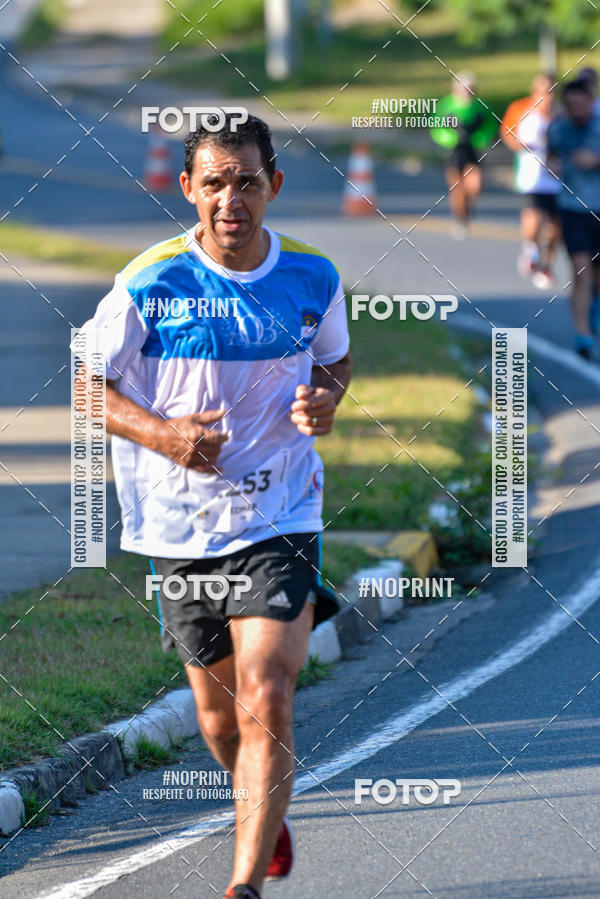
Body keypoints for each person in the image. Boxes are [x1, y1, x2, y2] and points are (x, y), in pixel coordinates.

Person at [75, 113, 352, 899]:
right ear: (189, 188)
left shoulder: (314, 276)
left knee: (269, 694)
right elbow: (85, 389)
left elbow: (333, 359)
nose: (232, 199)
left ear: (274, 186)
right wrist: (165, 436)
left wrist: (324, 401)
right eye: (216, 182)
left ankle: (243, 888)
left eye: (248, 181)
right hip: (179, 524)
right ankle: (263, 805)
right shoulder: (148, 282)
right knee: (223, 725)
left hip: (281, 516)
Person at [547, 79, 600, 360]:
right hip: (572, 208)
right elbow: (552, 156)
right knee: (581, 272)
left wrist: (596, 161)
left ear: (591, 101)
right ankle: (583, 336)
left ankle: (595, 311)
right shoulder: (559, 129)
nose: (576, 110)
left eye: (581, 104)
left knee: (597, 275)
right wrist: (553, 165)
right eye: (570, 105)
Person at [501, 74, 561, 289]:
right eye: (543, 90)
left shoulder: (562, 114)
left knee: (555, 229)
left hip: (557, 180)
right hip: (531, 178)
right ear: (535, 90)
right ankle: (530, 248)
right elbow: (507, 133)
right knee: (534, 221)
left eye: (551, 90)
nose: (548, 95)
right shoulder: (521, 109)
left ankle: (546, 265)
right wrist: (520, 145)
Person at [430, 71, 497, 239]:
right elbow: (436, 127)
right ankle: (460, 218)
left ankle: (468, 205)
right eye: (463, 89)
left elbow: (491, 125)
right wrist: (450, 138)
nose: (466, 92)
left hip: (472, 150)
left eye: (470, 89)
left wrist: (480, 138)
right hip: (453, 151)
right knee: (457, 187)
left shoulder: (480, 106)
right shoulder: (447, 106)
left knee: (475, 185)